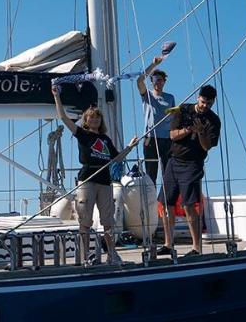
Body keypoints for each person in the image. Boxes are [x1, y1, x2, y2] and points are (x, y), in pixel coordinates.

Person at [52, 84, 137, 265]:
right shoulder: (82, 134)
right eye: (91, 117)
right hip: (87, 179)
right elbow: (63, 117)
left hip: (104, 180)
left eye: (98, 117)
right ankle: (85, 256)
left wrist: (130, 146)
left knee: (108, 220)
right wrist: (57, 97)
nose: (95, 119)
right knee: (85, 220)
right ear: (86, 120)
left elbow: (117, 158)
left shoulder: (105, 139)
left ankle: (112, 254)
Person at [157, 85, 221, 258]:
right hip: (173, 161)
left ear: (213, 102)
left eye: (209, 104)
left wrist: (200, 132)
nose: (205, 106)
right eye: (203, 102)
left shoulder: (213, 120)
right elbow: (172, 135)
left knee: (189, 205)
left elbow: (207, 146)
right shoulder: (183, 110)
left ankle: (196, 247)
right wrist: (189, 129)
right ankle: (168, 244)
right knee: (166, 203)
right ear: (198, 98)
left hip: (192, 164)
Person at [137, 56, 175, 183]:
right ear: (151, 81)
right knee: (151, 174)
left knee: (168, 173)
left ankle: (166, 196)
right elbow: (139, 81)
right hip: (150, 138)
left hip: (166, 139)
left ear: (164, 82)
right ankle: (151, 194)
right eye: (155, 80)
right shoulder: (147, 95)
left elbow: (174, 117)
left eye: (160, 80)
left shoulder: (170, 98)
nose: (158, 82)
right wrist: (153, 65)